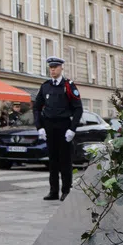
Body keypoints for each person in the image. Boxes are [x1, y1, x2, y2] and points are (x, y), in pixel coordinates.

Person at [34, 57, 84, 202]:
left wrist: (72, 129)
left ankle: (66, 190)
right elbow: (36, 107)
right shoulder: (45, 86)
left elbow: (78, 109)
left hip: (64, 127)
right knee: (53, 161)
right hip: (49, 127)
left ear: (61, 68)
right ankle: (53, 191)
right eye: (50, 67)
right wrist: (40, 127)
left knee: (65, 161)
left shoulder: (68, 86)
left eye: (55, 67)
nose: (52, 70)